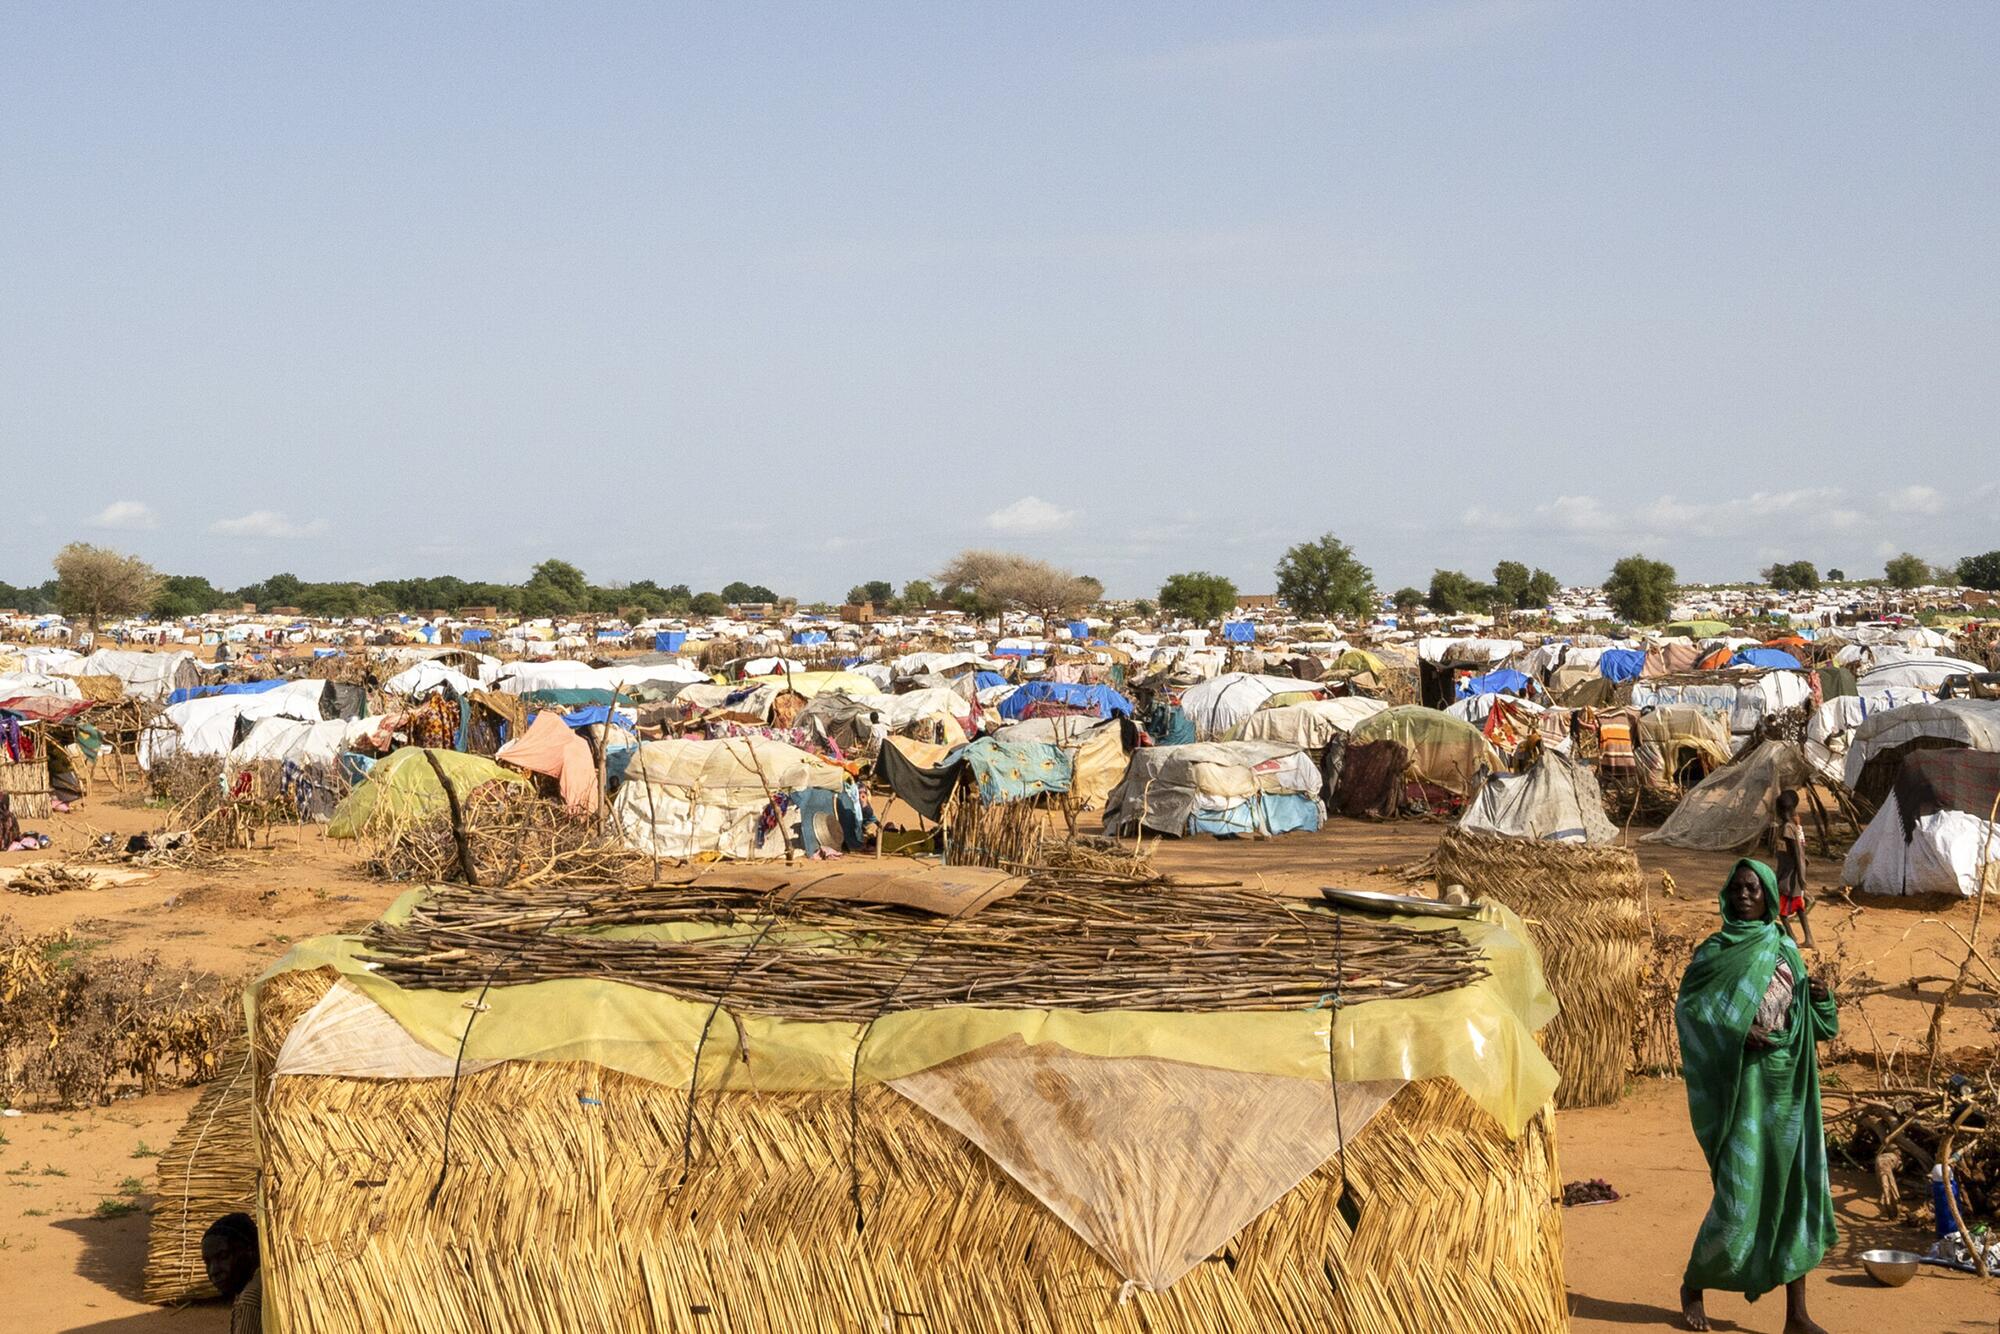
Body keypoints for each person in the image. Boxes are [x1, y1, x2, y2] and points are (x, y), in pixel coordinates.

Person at [1676, 859, 1838, 1334]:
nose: (1745, 895)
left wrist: (1822, 998)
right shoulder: (1714, 953)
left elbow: (1819, 1027)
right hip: (1741, 1089)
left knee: (1793, 1194)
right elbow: (1691, 1012)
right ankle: (1694, 1283)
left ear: (1768, 896)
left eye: (1753, 888)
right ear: (1728, 895)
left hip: (1788, 1089)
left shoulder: (1786, 949)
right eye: (1738, 888)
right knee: (1737, 1197)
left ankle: (1796, 1315)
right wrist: (1736, 1030)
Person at [201, 1212, 263, 1334]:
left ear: (250, 1251)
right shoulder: (259, 1283)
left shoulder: (250, 1298)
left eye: (223, 1256)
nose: (214, 1271)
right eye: (207, 1262)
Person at [1770, 789, 1816, 948]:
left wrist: (1801, 877)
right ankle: (1808, 938)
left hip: (1789, 874)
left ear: (1782, 810)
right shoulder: (1792, 826)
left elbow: (1797, 852)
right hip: (1791, 872)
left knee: (1781, 910)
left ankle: (1793, 939)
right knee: (1799, 906)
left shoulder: (1788, 828)